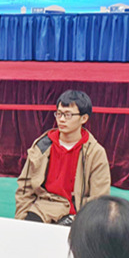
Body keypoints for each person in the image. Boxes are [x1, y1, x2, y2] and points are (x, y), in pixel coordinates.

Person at [15, 90, 110, 224]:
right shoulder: (42, 146)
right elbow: (25, 188)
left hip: (77, 211)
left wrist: (85, 222)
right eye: (59, 113)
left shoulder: (95, 153)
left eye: (68, 115)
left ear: (84, 118)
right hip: (43, 207)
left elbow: (99, 199)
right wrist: (21, 220)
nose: (62, 119)